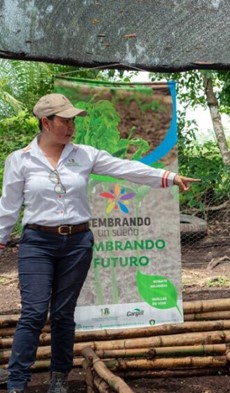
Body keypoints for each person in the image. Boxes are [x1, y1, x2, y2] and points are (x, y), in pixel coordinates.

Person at [0, 93, 198, 393]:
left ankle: (58, 378)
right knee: (35, 311)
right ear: (46, 122)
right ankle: (16, 381)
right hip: (37, 243)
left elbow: (125, 168)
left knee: (64, 313)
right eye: (65, 120)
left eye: (72, 120)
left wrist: (167, 176)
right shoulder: (20, 159)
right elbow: (9, 206)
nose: (71, 126)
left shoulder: (84, 155)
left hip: (77, 243)